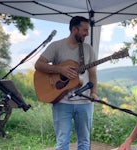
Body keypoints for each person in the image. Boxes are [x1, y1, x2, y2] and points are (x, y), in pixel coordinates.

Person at [35, 16, 98, 150]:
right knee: (62, 142)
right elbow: (38, 64)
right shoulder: (56, 46)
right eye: (84, 30)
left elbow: (92, 73)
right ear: (74, 29)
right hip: (62, 101)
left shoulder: (88, 49)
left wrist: (93, 92)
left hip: (85, 102)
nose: (87, 33)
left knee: (84, 141)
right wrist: (60, 69)